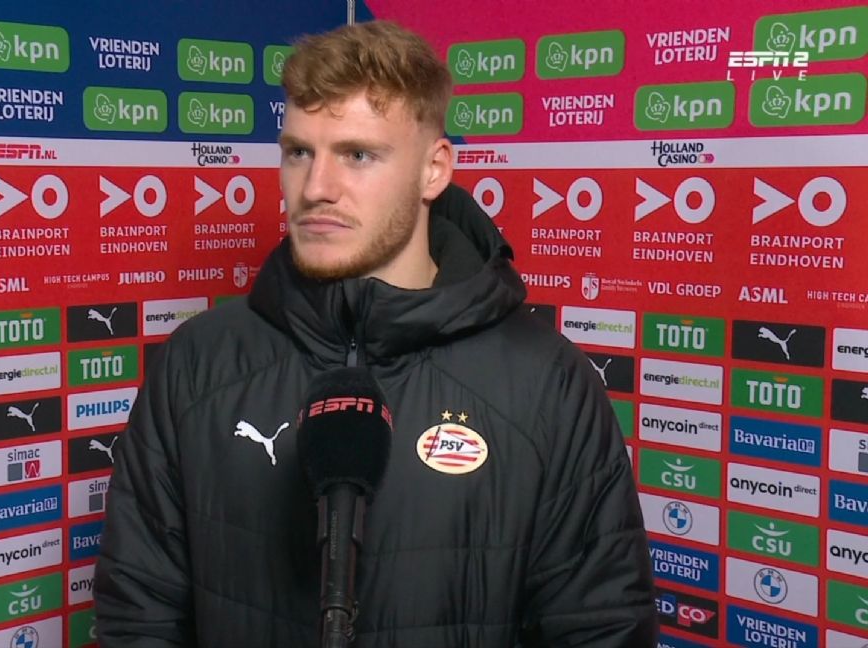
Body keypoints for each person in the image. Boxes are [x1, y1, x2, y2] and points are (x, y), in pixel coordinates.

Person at [94, 19, 657, 647]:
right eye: (299, 152)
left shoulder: (547, 383)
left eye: (357, 155)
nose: (316, 188)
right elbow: (138, 617)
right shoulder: (197, 363)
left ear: (433, 170)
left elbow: (601, 628)